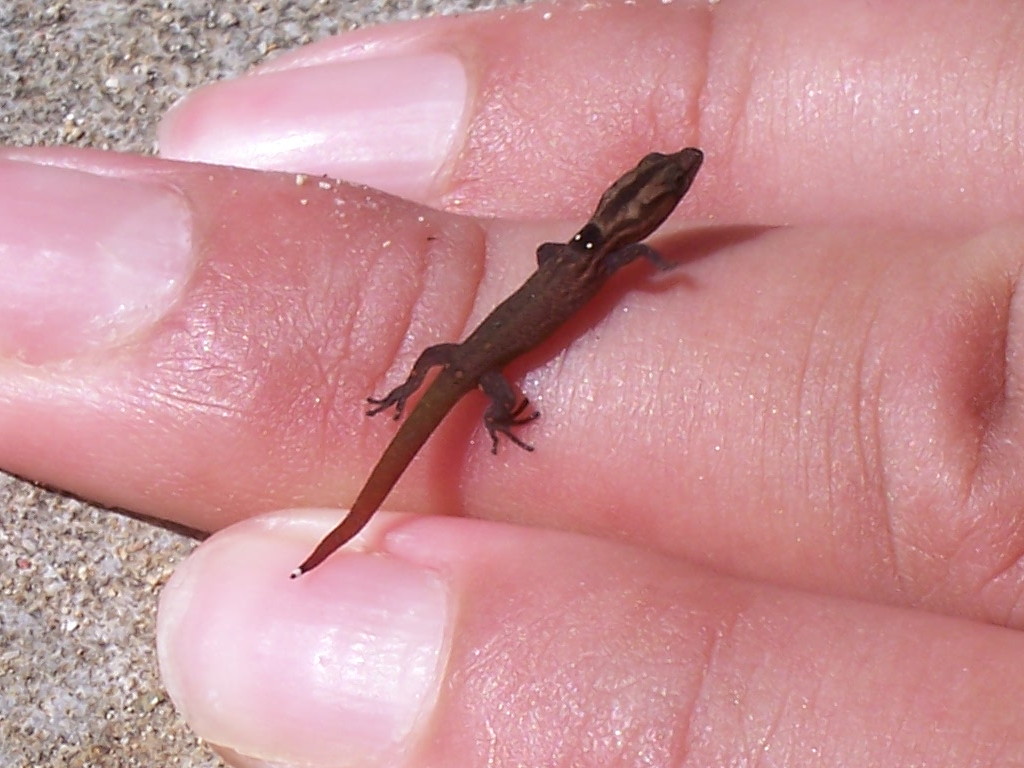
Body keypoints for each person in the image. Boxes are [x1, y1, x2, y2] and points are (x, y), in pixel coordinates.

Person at [3, 1, 1023, 765]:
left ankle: (391, 441)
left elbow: (548, 274)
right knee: (466, 389)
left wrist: (438, 385)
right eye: (665, 185)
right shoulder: (611, 264)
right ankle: (380, 474)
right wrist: (508, 398)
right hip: (479, 370)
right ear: (643, 213)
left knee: (443, 370)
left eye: (665, 182)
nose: (672, 182)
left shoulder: (574, 258)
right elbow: (598, 275)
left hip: (465, 361)